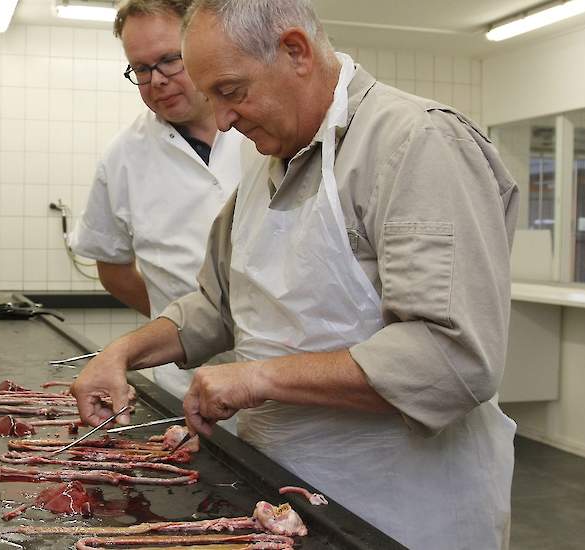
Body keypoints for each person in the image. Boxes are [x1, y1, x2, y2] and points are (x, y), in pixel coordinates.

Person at [70, 1, 518, 548]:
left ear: (295, 51)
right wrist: (121, 355)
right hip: (284, 493)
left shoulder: (416, 145)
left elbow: (451, 359)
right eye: (213, 98)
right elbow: (217, 306)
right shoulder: (267, 161)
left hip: (398, 509)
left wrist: (258, 377)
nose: (225, 120)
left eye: (232, 92)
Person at [70, 0, 250, 400]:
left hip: (282, 375)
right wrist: (179, 322)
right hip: (185, 383)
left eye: (170, 60)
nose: (157, 81)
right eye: (141, 69)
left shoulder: (261, 128)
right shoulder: (123, 156)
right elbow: (113, 270)